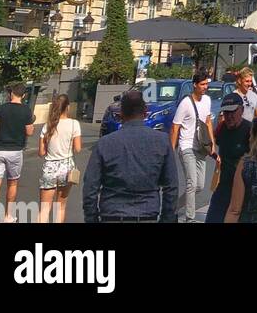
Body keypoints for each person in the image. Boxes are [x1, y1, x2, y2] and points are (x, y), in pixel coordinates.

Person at [82, 87, 177, 223]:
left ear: (121, 114)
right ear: (145, 113)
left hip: (112, 213)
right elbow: (171, 186)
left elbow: (90, 186)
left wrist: (91, 218)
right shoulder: (161, 141)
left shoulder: (105, 143)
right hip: (147, 213)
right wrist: (167, 218)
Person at [170, 70, 216, 223]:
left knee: (200, 186)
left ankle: (173, 208)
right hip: (186, 146)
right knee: (192, 183)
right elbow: (175, 127)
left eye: (206, 84)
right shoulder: (185, 103)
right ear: (194, 85)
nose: (205, 87)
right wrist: (171, 150)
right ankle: (190, 218)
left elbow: (208, 122)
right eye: (202, 84)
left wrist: (212, 142)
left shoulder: (207, 100)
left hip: (201, 147)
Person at [0, 80, 35, 223]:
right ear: (23, 95)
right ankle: (8, 216)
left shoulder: (0, 109)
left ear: (11, 93)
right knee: (12, 183)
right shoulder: (26, 110)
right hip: (15, 150)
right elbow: (29, 132)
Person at [205, 93, 251, 223]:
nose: (229, 116)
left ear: (241, 110)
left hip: (243, 187)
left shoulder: (250, 130)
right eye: (226, 112)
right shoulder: (222, 128)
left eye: (233, 112)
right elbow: (215, 145)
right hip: (223, 185)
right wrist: (209, 149)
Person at [37, 93, 82, 224]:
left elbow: (41, 152)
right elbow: (78, 149)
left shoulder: (47, 126)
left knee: (44, 209)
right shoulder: (74, 124)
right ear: (67, 107)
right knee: (60, 207)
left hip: (50, 167)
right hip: (66, 167)